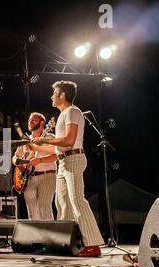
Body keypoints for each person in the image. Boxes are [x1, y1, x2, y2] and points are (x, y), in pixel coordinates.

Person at [30, 81, 104, 257]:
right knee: (62, 203)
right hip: (63, 161)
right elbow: (59, 147)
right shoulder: (64, 114)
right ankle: (62, 242)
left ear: (62, 95)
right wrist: (37, 147)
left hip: (73, 159)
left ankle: (93, 244)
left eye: (54, 93)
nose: (51, 96)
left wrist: (44, 140)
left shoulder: (72, 111)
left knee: (77, 200)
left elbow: (69, 140)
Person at [12, 112, 57, 220]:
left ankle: (49, 237)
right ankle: (37, 237)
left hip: (47, 176)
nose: (30, 122)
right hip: (28, 178)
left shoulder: (49, 137)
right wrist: (17, 162)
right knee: (32, 212)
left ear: (42, 123)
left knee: (44, 209)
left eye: (34, 120)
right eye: (29, 120)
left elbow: (57, 155)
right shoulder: (26, 140)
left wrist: (40, 160)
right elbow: (15, 156)